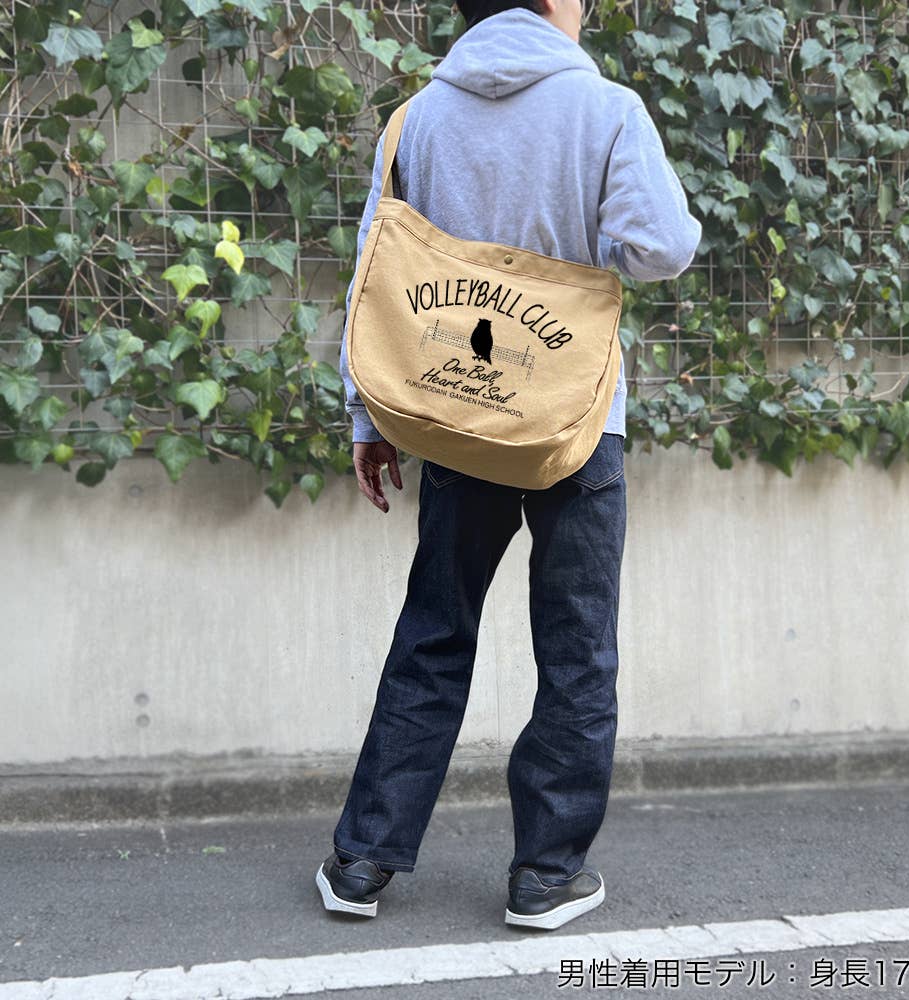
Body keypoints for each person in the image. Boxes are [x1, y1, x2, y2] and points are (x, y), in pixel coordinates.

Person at [315, 0, 701, 930]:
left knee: (434, 632)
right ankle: (545, 875)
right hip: (575, 421)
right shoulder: (607, 111)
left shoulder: (418, 119)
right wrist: (580, 242)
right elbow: (661, 246)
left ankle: (362, 861)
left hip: (460, 415)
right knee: (576, 648)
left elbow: (376, 269)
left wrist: (367, 411)